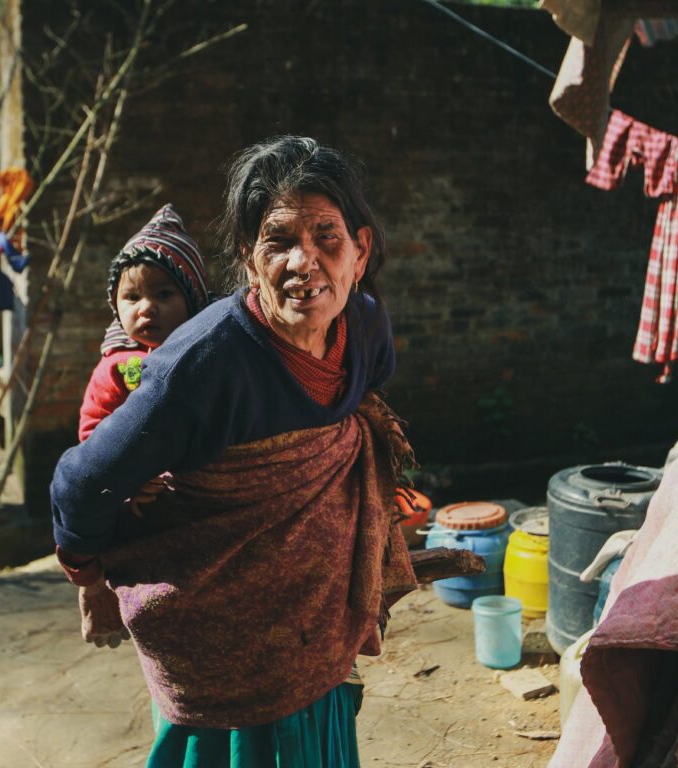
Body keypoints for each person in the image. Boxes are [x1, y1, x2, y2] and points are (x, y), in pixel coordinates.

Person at [51, 135, 417, 766]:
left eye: (327, 237)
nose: (305, 262)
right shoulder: (200, 366)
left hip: (318, 619)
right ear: (250, 260)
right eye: (279, 242)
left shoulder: (366, 329)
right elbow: (82, 484)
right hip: (221, 633)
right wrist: (91, 577)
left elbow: (361, 408)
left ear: (360, 251)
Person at [74, 203, 211, 648]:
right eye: (132, 298)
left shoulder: (209, 359)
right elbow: (94, 440)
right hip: (140, 506)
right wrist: (130, 483)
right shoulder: (116, 369)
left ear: (192, 299)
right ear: (116, 305)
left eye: (163, 295)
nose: (146, 308)